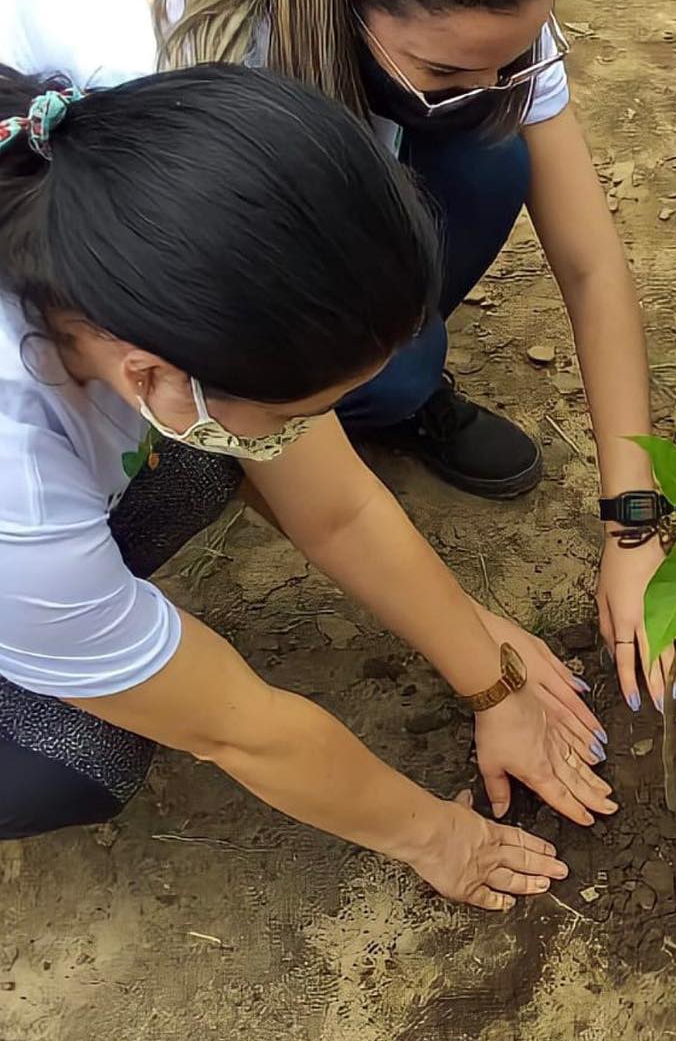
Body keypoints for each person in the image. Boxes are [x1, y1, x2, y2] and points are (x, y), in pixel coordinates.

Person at [0, 0, 676, 713]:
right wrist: (484, 664)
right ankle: (349, 394)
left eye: (507, 61)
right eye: (446, 72)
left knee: (490, 158)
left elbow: (589, 258)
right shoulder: (184, 72)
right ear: (334, 0)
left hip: (289, 118)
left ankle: (383, 390)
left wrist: (633, 525)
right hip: (107, 210)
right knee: (299, 409)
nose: (488, 84)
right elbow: (328, 505)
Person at [0, 63, 618, 904]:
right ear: (150, 374)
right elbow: (241, 731)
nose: (320, 427)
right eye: (304, 407)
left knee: (209, 459)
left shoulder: (133, 200)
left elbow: (338, 507)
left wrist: (492, 678)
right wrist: (440, 837)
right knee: (75, 757)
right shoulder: (20, 496)